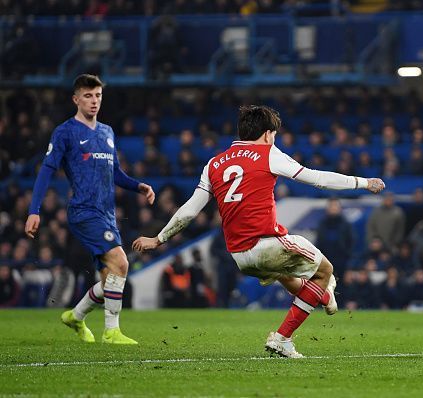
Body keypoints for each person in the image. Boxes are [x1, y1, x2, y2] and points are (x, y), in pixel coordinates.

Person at [133, 105, 385, 358]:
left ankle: (323, 296)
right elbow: (317, 178)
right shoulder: (268, 154)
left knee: (290, 278)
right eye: (274, 134)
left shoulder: (214, 164)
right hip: (265, 243)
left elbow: (189, 210)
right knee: (325, 271)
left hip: (240, 256)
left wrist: (159, 239)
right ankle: (284, 336)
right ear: (267, 134)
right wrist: (362, 182)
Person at [25, 74, 155, 344]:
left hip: (107, 214)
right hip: (84, 212)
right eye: (88, 96)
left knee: (111, 280)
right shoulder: (65, 132)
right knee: (121, 262)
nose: (94, 101)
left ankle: (76, 316)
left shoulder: (107, 132)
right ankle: (112, 332)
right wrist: (34, 210)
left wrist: (137, 186)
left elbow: (115, 172)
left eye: (97, 96)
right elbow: (47, 169)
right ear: (76, 99)